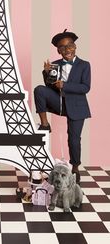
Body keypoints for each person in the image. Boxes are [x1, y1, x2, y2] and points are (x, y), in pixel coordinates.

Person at [34, 29, 91, 183]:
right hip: (59, 103)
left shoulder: (84, 65)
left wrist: (65, 85)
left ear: (75, 47)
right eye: (63, 47)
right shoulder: (55, 64)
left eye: (70, 46)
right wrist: (46, 73)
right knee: (39, 89)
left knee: (73, 139)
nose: (67, 50)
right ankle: (45, 124)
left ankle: (75, 167)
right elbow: (49, 86)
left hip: (77, 106)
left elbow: (85, 87)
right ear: (58, 50)